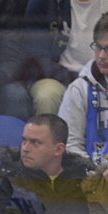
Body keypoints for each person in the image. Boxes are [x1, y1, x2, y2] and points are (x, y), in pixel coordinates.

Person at [59, 12, 108, 167]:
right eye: (98, 47)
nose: (101, 56)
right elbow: (69, 145)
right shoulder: (79, 89)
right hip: (91, 182)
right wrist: (94, 177)